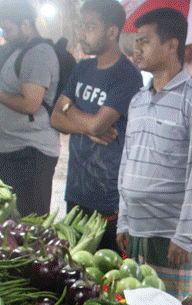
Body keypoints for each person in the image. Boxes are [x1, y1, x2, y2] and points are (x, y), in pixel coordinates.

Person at [117, 8, 192, 298]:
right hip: (136, 231)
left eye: (145, 41)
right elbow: (127, 162)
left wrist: (185, 236)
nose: (137, 48)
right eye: (137, 41)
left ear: (172, 45)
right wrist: (124, 218)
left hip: (171, 236)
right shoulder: (137, 101)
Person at [50, 0, 142, 252]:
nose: (81, 34)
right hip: (76, 191)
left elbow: (98, 123)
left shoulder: (127, 74)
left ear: (112, 32)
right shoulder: (82, 68)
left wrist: (71, 111)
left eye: (89, 27)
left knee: (105, 272)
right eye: (81, 26)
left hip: (108, 197)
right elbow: (55, 118)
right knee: (72, 267)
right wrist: (85, 125)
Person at [0, 0, 60, 217]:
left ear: (26, 24)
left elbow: (31, 103)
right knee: (14, 219)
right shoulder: (21, 51)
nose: (5, 34)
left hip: (29, 153)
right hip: (15, 151)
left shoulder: (39, 54)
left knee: (29, 222)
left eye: (8, 29)